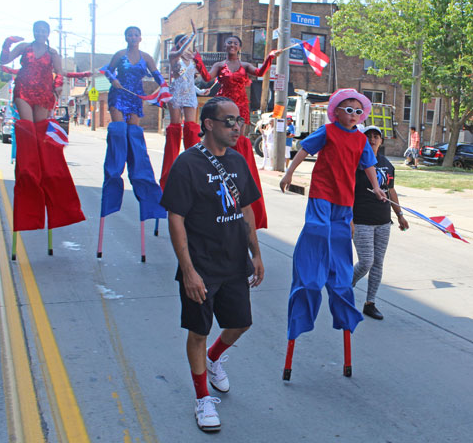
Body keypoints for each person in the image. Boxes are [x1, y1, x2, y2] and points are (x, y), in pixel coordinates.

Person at [161, 97, 264, 432]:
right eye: (229, 121)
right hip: (202, 264)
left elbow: (246, 208)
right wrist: (188, 270)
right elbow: (175, 217)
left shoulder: (237, 160)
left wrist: (256, 254)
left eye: (239, 121)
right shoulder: (187, 165)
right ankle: (202, 398)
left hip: (234, 262)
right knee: (199, 331)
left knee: (241, 324)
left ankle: (214, 358)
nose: (236, 127)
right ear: (208, 124)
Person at [280, 88, 386, 341]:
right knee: (318, 231)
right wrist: (288, 173)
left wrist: (378, 189)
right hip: (322, 193)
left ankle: (337, 282)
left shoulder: (361, 140)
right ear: (336, 112)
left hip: (344, 200)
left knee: (338, 244)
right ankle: (312, 276)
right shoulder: (327, 131)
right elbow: (304, 150)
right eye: (348, 110)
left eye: (358, 111)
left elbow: (369, 165)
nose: (353, 115)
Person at [0, 21, 85, 232]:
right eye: (37, 29)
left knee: (40, 132)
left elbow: (60, 75)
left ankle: (41, 165)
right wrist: (7, 43)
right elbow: (4, 61)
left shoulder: (53, 52)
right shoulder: (24, 47)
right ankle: (28, 166)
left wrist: (56, 88)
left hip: (43, 93)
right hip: (24, 89)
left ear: (48, 33)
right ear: (33, 31)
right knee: (27, 128)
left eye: (43, 30)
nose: (40, 33)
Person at [193, 36, 283, 230]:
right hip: (222, 105)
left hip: (240, 106)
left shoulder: (245, 65)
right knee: (221, 138)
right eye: (228, 43)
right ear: (225, 46)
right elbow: (207, 78)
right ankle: (219, 163)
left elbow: (260, 72)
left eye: (235, 43)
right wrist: (198, 61)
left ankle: (236, 169)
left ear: (240, 47)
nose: (231, 45)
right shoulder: (219, 64)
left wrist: (269, 57)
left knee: (238, 140)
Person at [99, 25, 166, 225]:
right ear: (126, 37)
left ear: (140, 37)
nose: (133, 37)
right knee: (119, 131)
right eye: (130, 34)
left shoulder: (147, 57)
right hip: (119, 95)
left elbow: (157, 75)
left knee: (134, 135)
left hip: (136, 97)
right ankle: (116, 165)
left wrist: (164, 88)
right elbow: (106, 71)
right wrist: (113, 80)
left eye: (136, 34)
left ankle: (137, 170)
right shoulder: (120, 54)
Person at [352, 126, 409, 320]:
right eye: (368, 136)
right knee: (366, 261)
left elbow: (391, 190)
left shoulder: (386, 163)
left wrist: (400, 215)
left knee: (377, 264)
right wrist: (349, 219)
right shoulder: (356, 163)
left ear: (381, 141)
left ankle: (370, 303)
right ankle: (343, 285)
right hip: (361, 221)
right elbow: (347, 192)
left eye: (376, 136)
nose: (372, 139)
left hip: (384, 222)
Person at [160, 21, 209, 189]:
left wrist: (201, 92)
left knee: (191, 127)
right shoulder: (174, 55)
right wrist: (194, 35)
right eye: (182, 41)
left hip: (189, 94)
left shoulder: (192, 59)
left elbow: (188, 80)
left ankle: (194, 164)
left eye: (187, 41)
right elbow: (178, 77)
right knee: (175, 128)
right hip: (175, 93)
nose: (185, 44)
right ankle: (169, 172)